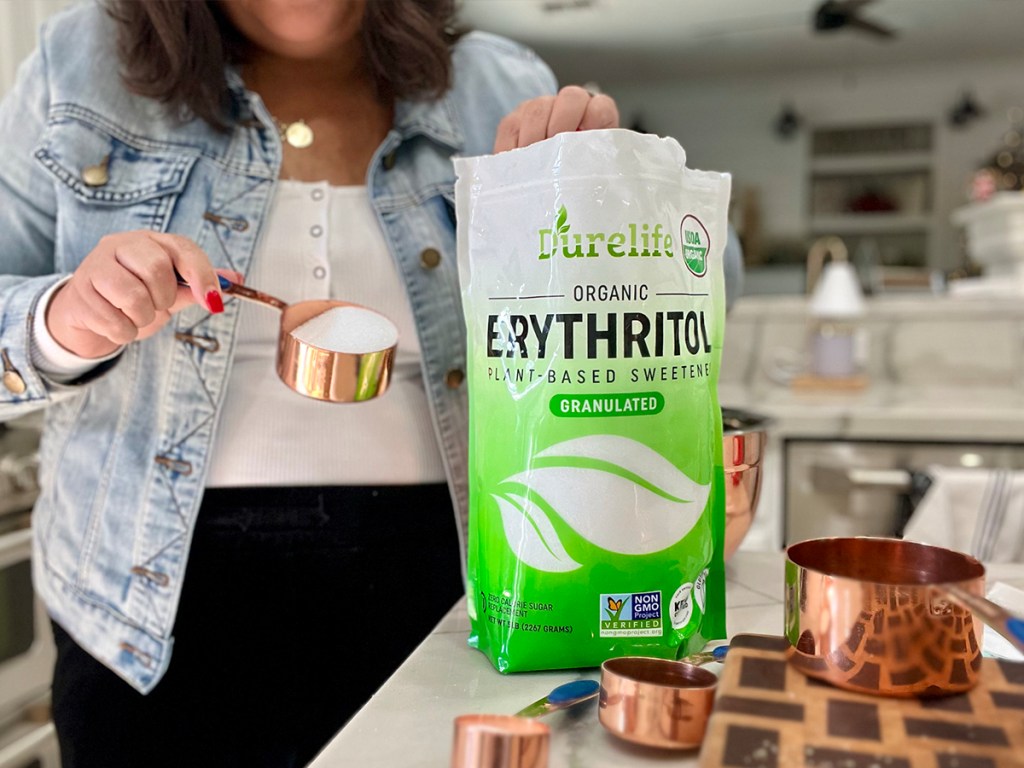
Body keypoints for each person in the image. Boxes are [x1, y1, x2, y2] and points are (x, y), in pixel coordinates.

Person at [0, 1, 619, 766]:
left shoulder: (500, 81)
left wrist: (610, 197)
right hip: (148, 615)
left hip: (453, 588)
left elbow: (639, 317)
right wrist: (63, 320)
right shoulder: (80, 62)